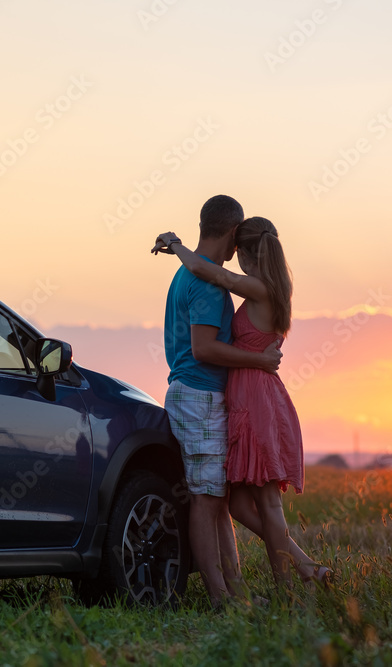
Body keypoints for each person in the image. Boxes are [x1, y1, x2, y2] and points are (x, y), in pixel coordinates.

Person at [154, 217, 332, 589]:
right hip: (248, 395)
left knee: (265, 502)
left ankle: (286, 587)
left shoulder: (257, 288)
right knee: (235, 504)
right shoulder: (274, 288)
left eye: (240, 255)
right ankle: (301, 565)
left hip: (254, 398)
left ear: (247, 254)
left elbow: (211, 272)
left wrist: (176, 245)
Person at [152, 196, 283, 608]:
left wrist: (174, 244)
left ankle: (235, 591)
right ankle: (218, 596)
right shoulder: (208, 284)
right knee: (207, 501)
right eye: (239, 237)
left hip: (196, 395)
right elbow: (205, 348)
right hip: (200, 395)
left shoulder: (189, 275)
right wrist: (260, 360)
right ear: (231, 232)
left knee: (216, 499)